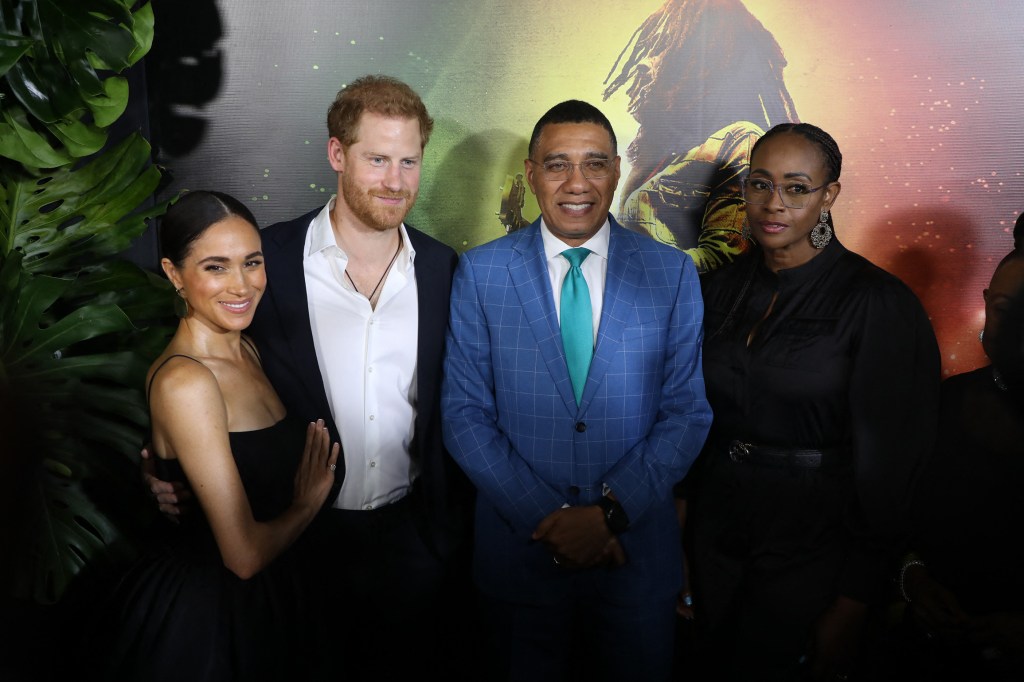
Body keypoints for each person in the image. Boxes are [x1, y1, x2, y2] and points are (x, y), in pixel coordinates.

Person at [145, 75, 470, 678]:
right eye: (377, 159)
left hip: (415, 541)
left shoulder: (446, 268)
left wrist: (439, 538)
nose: (395, 181)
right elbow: (199, 373)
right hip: (301, 549)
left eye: (408, 161)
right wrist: (162, 463)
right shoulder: (261, 264)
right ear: (337, 154)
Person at [442, 99, 712, 681]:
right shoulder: (481, 272)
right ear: (532, 174)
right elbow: (464, 416)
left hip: (636, 561)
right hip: (520, 559)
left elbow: (687, 412)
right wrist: (556, 519)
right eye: (558, 164)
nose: (577, 183)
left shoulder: (671, 272)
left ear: (616, 171)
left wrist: (608, 516)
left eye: (594, 164)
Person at [683, 122, 941, 681]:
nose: (773, 204)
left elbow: (893, 467)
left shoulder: (878, 304)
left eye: (797, 188)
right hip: (715, 534)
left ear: (830, 195)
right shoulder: (716, 290)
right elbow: (691, 420)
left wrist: (854, 601)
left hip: (815, 544)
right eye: (759, 184)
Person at [103, 190, 339, 681]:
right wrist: (308, 502)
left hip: (280, 601)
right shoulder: (186, 381)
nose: (242, 285)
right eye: (215, 267)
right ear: (174, 274)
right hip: (213, 623)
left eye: (251, 262)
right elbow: (244, 557)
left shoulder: (247, 348)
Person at [888, 247, 1024, 680]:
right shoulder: (945, 401)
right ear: (985, 303)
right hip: (933, 652)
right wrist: (915, 579)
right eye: (1005, 309)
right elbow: (900, 514)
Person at [602, 0, 798, 274]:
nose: (645, 63)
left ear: (703, 63)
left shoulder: (741, 141)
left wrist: (633, 267)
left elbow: (724, 258)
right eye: (651, 48)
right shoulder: (657, 155)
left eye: (662, 48)